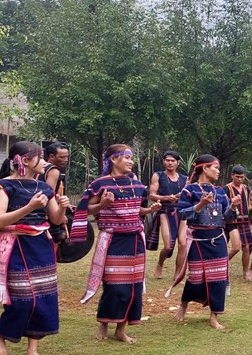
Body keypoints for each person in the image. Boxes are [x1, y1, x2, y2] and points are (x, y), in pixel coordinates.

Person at [0, 141, 69, 355]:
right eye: (39, 157)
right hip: (15, 245)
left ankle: (33, 349)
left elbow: (55, 220)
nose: (44, 162)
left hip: (41, 245)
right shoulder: (3, 186)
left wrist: (61, 206)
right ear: (24, 161)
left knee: (44, 298)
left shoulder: (43, 187)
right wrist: (29, 207)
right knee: (22, 299)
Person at [71, 144, 160, 344]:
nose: (130, 161)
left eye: (131, 158)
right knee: (114, 285)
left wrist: (149, 210)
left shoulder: (137, 185)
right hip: (113, 239)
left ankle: (121, 329)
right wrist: (102, 205)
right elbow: (84, 211)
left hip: (135, 239)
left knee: (133, 287)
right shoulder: (100, 184)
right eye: (126, 157)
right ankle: (104, 323)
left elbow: (137, 210)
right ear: (113, 159)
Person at [172, 155, 235, 329]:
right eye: (215, 168)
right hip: (198, 241)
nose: (218, 171)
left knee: (219, 278)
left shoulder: (220, 192)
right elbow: (182, 214)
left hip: (217, 240)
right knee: (196, 277)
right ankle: (183, 305)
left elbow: (226, 218)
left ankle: (214, 316)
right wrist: (199, 205)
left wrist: (234, 207)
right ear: (205, 168)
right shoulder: (189, 190)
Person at [147, 150, 188, 279]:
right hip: (164, 211)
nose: (170, 163)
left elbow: (189, 195)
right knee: (168, 245)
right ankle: (160, 263)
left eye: (173, 161)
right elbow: (152, 195)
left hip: (182, 212)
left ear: (178, 163)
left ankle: (177, 274)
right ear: (164, 161)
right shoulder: (158, 176)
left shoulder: (184, 179)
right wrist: (166, 198)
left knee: (183, 244)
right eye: (167, 160)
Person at [224, 165, 252, 280]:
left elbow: (248, 205)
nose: (239, 179)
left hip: (245, 220)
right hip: (231, 220)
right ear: (232, 175)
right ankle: (221, 264)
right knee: (234, 247)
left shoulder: (247, 189)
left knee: (246, 248)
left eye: (242, 177)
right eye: (237, 177)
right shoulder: (226, 189)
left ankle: (245, 272)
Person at [41, 142, 70, 248]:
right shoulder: (53, 170)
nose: (65, 160)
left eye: (67, 157)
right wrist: (59, 215)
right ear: (51, 156)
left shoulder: (40, 167)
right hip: (48, 216)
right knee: (52, 248)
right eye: (62, 157)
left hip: (38, 215)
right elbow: (48, 196)